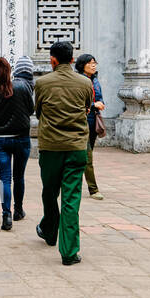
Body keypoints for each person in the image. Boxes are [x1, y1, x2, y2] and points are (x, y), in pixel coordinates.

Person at [34, 41, 94, 266]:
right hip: (77, 147)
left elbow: (38, 111)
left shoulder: (42, 83)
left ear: (53, 60)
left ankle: (49, 230)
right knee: (71, 199)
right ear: (72, 60)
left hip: (50, 147)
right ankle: (69, 251)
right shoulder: (85, 83)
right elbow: (87, 108)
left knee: (49, 192)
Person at [0, 56, 35, 231]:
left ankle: (7, 214)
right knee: (19, 176)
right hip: (21, 138)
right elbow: (31, 109)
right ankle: (18, 210)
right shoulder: (22, 87)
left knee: (5, 178)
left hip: (1, 140)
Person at [74, 54, 107, 201]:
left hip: (93, 120)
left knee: (87, 154)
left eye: (95, 63)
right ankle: (93, 189)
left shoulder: (95, 80)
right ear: (82, 65)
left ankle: (72, 183)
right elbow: (77, 102)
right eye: (90, 63)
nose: (93, 65)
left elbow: (99, 98)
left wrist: (98, 103)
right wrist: (94, 105)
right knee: (87, 156)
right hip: (82, 120)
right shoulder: (78, 81)